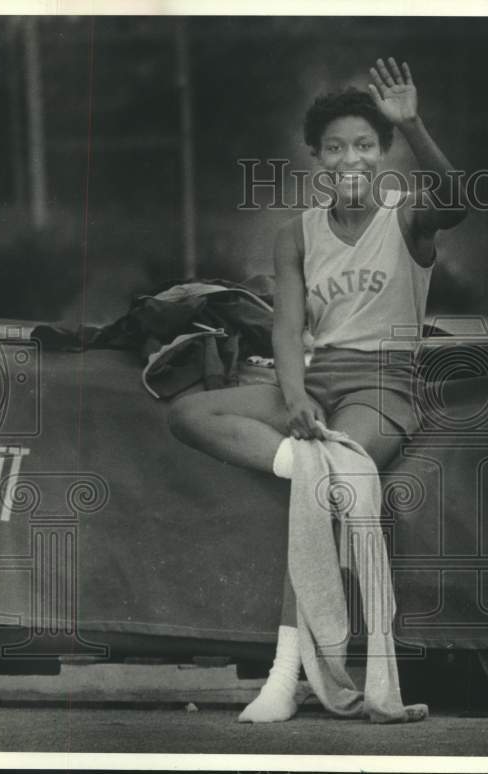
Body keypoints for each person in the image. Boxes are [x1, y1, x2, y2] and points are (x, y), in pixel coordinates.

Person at [167, 57, 466, 722]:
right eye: (335, 148)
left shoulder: (406, 216)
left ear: (382, 154)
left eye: (364, 145)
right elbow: (287, 328)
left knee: (324, 490)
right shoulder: (294, 234)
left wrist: (412, 123)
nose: (349, 159)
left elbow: (459, 198)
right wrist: (295, 395)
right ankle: (306, 461)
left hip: (382, 387)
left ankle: (283, 673)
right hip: (317, 381)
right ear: (317, 159)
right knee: (190, 413)